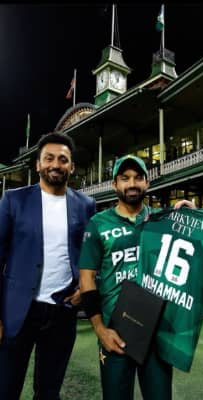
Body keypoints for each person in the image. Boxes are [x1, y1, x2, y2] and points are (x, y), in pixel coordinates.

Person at [0, 132, 96, 400]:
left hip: (62, 311)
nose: (56, 164)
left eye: (63, 159)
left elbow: (91, 254)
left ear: (72, 166)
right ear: (38, 165)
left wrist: (83, 288)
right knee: (6, 388)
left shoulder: (87, 205)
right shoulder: (13, 200)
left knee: (49, 392)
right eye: (49, 158)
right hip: (17, 310)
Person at [78, 155, 172, 400]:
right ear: (115, 185)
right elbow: (86, 279)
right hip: (114, 332)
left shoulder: (163, 220)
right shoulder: (98, 223)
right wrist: (99, 330)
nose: (132, 183)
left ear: (147, 183)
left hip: (156, 332)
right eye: (125, 178)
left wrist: (188, 211)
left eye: (138, 178)